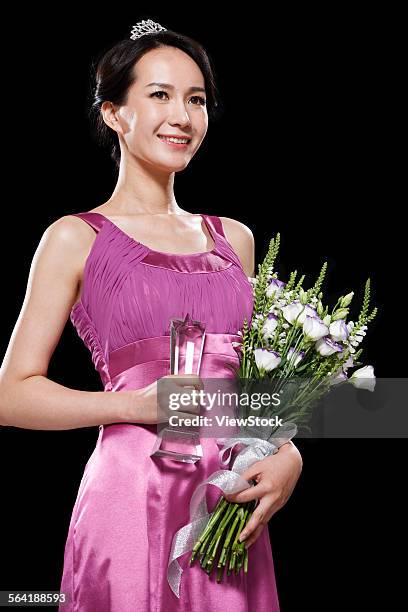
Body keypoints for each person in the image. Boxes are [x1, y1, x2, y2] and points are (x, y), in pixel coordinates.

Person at [0, 19, 303, 611]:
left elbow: (254, 390)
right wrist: (134, 405)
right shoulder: (75, 237)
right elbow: (11, 395)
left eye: (197, 100)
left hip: (230, 502)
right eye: (159, 95)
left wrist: (287, 452)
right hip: (131, 491)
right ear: (115, 113)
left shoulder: (233, 239)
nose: (183, 117)